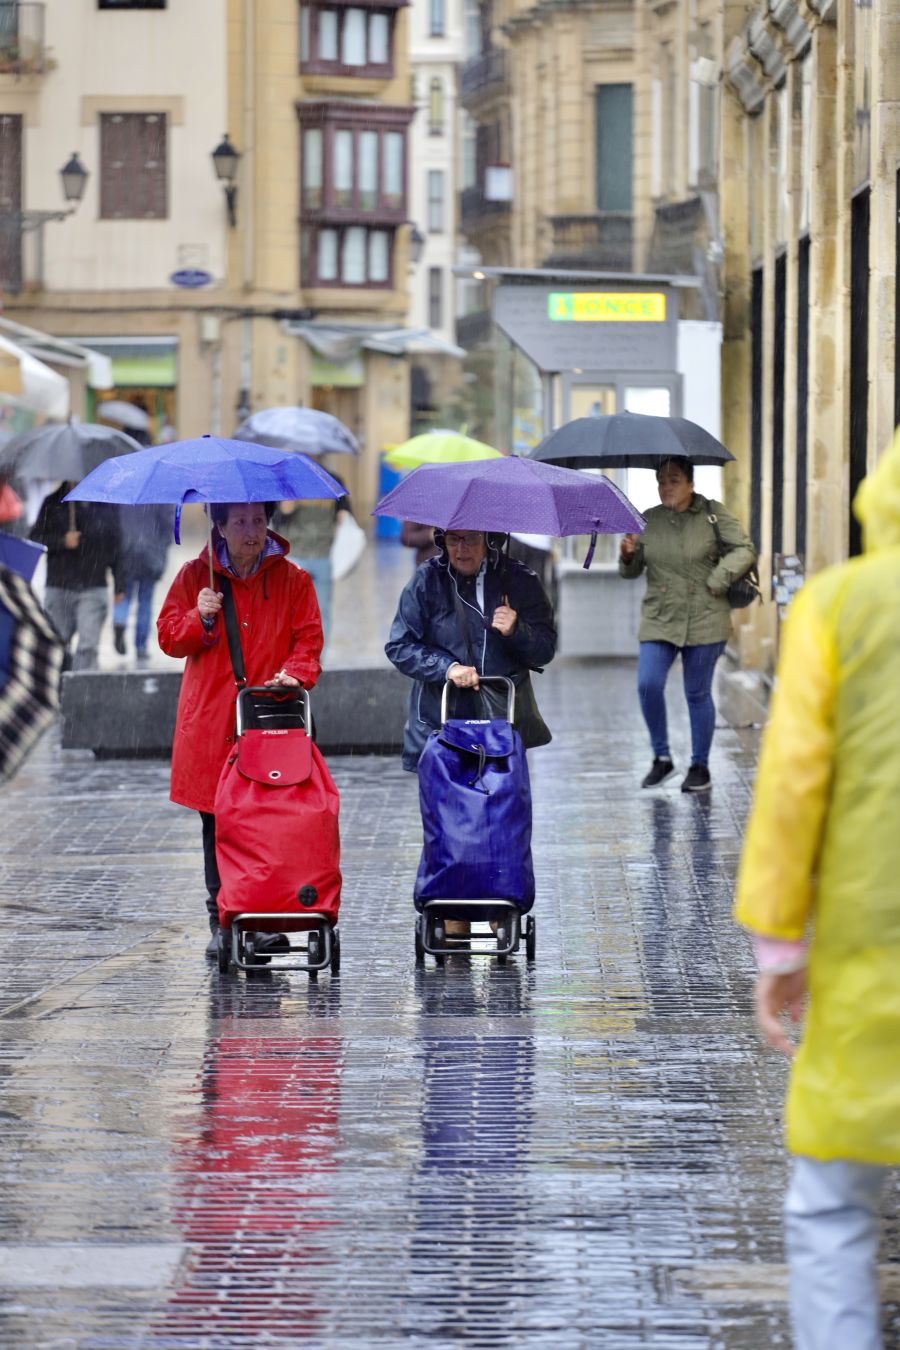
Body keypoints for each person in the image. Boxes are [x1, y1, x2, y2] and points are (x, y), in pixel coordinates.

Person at [734, 429, 900, 1350]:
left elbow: (794, 782)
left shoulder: (841, 606)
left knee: (834, 1206)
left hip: (868, 948)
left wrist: (780, 945)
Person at [157, 501, 323, 958]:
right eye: (240, 522)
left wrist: (296, 672)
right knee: (218, 823)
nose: (251, 531)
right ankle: (223, 919)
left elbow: (308, 638)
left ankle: (263, 915)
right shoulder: (196, 576)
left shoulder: (294, 580)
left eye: (258, 520)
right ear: (220, 527)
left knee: (267, 826)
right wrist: (201, 617)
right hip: (212, 720)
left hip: (269, 722)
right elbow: (169, 637)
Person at [386, 528, 556, 938]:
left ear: (490, 539)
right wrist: (446, 668)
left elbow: (546, 648)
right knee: (450, 827)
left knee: (501, 822)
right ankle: (453, 920)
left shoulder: (520, 579)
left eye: (471, 540)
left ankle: (502, 912)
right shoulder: (427, 581)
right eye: (453, 540)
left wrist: (517, 631)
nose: (461, 549)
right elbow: (400, 645)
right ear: (441, 540)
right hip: (443, 728)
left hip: (502, 727)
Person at [618, 456, 755, 793]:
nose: (666, 487)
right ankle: (662, 758)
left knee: (696, 693)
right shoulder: (647, 520)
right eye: (661, 480)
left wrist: (718, 578)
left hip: (705, 615)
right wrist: (627, 554)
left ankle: (700, 767)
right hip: (660, 616)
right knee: (648, 684)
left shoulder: (712, 513)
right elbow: (630, 573)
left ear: (690, 484)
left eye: (674, 480)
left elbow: (744, 549)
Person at [29, 482, 125, 671]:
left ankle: (82, 692)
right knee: (57, 645)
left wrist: (120, 584)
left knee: (88, 646)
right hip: (59, 585)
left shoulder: (106, 503)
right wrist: (62, 541)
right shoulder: (53, 503)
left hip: (94, 584)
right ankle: (59, 690)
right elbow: (35, 538)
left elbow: (117, 547)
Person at [274, 469, 353, 650]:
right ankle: (292, 654)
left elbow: (345, 512)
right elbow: (280, 515)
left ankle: (318, 657)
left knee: (322, 609)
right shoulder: (289, 480)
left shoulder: (333, 480)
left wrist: (342, 518)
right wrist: (291, 496)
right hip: (295, 556)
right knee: (291, 610)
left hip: (322, 555)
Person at [113, 503, 173, 661]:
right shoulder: (160, 495)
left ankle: (119, 620)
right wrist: (162, 553)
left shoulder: (125, 490)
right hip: (150, 552)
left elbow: (115, 521)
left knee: (124, 593)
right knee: (145, 601)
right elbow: (168, 526)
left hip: (126, 549)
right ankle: (140, 646)